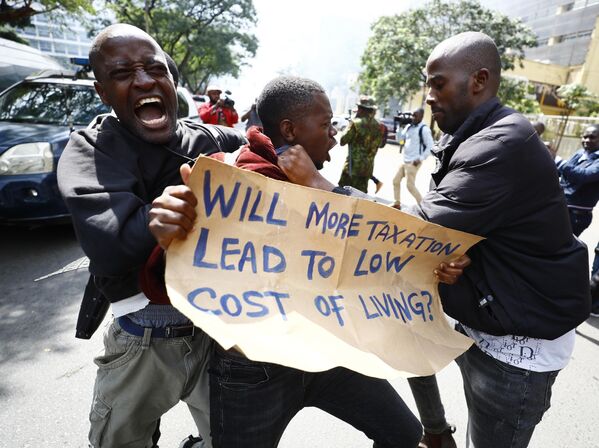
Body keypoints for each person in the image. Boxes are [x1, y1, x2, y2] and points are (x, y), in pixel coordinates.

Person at [277, 32, 591, 448]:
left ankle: (436, 433)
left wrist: (321, 185)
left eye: (437, 82)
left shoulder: (501, 143)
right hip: (480, 311)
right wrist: (462, 251)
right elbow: (464, 225)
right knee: (405, 331)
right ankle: (437, 432)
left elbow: (418, 228)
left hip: (517, 345)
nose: (427, 95)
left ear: (478, 80)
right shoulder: (469, 134)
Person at [148, 75, 472, 448]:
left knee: (402, 436)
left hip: (327, 349)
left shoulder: (314, 185)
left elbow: (383, 233)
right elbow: (167, 277)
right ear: (290, 130)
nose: (334, 134)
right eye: (325, 124)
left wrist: (430, 258)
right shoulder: (229, 181)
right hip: (254, 371)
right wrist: (168, 234)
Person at [57, 24, 245, 448]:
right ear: (102, 91)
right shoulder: (92, 148)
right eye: (122, 73)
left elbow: (269, 161)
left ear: (172, 81)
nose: (143, 80)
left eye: (154, 68)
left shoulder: (212, 140)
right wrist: (154, 221)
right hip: (142, 342)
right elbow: (108, 245)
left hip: (217, 335)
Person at [558, 123, 599, 236]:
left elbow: (584, 175)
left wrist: (558, 161)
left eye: (592, 137)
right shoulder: (579, 153)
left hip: (576, 217)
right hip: (559, 209)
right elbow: (563, 172)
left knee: (561, 249)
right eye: (584, 136)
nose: (586, 140)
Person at [338, 95, 384, 193]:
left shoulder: (356, 123)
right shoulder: (379, 126)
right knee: (360, 197)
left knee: (343, 195)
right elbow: (379, 144)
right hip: (367, 170)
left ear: (361, 109)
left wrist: (350, 123)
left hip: (352, 169)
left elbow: (342, 141)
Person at [392, 108, 433, 208]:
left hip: (414, 162)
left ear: (421, 116)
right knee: (395, 181)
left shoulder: (424, 129)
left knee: (410, 186)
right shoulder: (409, 127)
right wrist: (400, 127)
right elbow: (400, 139)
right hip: (405, 160)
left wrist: (420, 158)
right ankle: (397, 203)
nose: (413, 117)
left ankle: (423, 207)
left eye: (415, 115)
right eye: (412, 115)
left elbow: (430, 146)